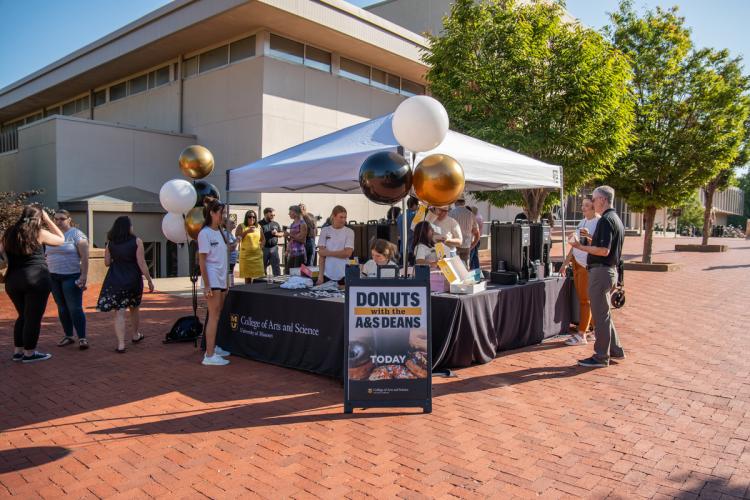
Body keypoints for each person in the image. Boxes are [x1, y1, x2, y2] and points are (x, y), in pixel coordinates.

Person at [569, 185, 625, 368]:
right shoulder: (615, 219)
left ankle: (601, 356)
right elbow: (606, 247)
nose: (592, 203)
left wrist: (580, 247)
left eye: (593, 199)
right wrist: (590, 241)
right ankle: (615, 350)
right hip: (609, 271)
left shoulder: (605, 220)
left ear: (602, 199)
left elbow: (603, 250)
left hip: (601, 271)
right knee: (605, 313)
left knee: (600, 316)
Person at [1, 205, 65, 363]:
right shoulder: (39, 232)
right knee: (33, 318)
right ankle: (30, 353)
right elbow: (61, 240)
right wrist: (49, 220)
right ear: (39, 218)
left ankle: (18, 352)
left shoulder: (9, 232)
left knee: (22, 315)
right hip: (37, 278)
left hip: (13, 280)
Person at [96, 216, 154, 353]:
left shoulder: (110, 243)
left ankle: (121, 344)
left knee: (119, 311)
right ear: (129, 227)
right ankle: (135, 335)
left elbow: (107, 263)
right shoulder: (137, 241)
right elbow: (141, 263)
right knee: (134, 307)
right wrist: (149, 280)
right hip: (133, 279)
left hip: (115, 279)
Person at [45, 209, 90, 349]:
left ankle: (82, 338)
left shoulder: (76, 234)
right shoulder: (51, 234)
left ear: (69, 219)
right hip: (53, 277)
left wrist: (84, 276)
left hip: (71, 276)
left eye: (62, 219)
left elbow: (85, 257)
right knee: (62, 308)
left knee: (74, 308)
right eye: (56, 219)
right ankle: (69, 336)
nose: (58, 221)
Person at [561, 196, 600, 346]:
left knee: (585, 300)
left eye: (587, 206)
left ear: (594, 207)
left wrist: (588, 236)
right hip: (577, 264)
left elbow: (599, 244)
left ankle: (581, 334)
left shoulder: (598, 221)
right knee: (585, 299)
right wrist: (566, 263)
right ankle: (595, 330)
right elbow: (574, 244)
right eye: (582, 205)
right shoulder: (582, 221)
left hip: (587, 265)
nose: (583, 208)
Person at [198, 198, 232, 366]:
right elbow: (202, 261)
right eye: (221, 213)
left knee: (217, 314)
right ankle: (209, 355)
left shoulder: (219, 231)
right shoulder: (204, 233)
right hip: (212, 279)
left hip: (221, 278)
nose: (223, 216)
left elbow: (223, 253)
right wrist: (207, 285)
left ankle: (213, 347)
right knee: (214, 315)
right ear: (212, 213)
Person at [316, 205, 355, 285]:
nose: (343, 220)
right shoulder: (325, 230)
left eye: (345, 217)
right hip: (327, 274)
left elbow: (347, 253)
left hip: (344, 274)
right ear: (333, 216)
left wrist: (328, 253)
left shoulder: (349, 232)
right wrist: (320, 276)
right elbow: (321, 256)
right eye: (341, 217)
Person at [449, 196, 480, 268]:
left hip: (454, 245)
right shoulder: (471, 214)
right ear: (464, 202)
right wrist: (472, 246)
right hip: (466, 245)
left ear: (456, 202)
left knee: (454, 269)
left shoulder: (451, 213)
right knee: (465, 269)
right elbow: (477, 234)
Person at [236, 210, 265, 283]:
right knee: (248, 278)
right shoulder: (241, 226)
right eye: (250, 217)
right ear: (246, 218)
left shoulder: (258, 226)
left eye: (254, 217)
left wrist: (260, 247)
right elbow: (237, 238)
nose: (252, 218)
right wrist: (246, 231)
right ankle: (248, 292)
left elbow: (263, 239)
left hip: (257, 255)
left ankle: (256, 292)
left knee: (258, 277)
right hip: (246, 256)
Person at [261, 207, 283, 276]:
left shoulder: (276, 224)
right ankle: (262, 282)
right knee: (262, 266)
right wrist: (270, 233)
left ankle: (277, 281)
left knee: (276, 266)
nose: (273, 217)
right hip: (263, 248)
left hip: (274, 248)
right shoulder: (259, 224)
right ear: (265, 214)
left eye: (274, 215)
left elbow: (282, 233)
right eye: (271, 215)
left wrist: (276, 234)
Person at [396, 197, 419, 264]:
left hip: (402, 249)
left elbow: (398, 234)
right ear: (414, 205)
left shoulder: (400, 216)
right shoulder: (415, 216)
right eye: (417, 205)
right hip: (412, 248)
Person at [285, 205, 308, 272]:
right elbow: (292, 240)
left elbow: (303, 240)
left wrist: (289, 234)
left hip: (299, 253)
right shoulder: (293, 224)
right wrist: (287, 237)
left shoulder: (302, 224)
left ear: (295, 213)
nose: (289, 214)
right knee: (288, 272)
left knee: (296, 274)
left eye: (290, 212)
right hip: (292, 252)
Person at [223, 218, 238, 287]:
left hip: (231, 260)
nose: (234, 223)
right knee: (229, 275)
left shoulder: (230, 234)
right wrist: (238, 240)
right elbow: (232, 247)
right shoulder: (226, 234)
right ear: (226, 225)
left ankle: (230, 287)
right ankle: (229, 288)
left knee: (230, 274)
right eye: (231, 222)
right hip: (228, 260)